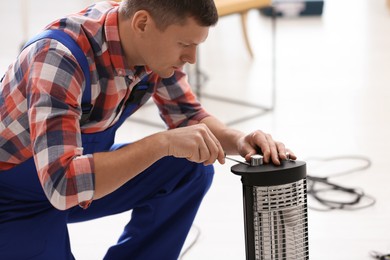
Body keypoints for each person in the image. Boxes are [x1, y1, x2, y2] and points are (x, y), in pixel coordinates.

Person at [0, 0, 296, 259]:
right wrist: (161, 143)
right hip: (14, 199)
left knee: (190, 165)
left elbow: (188, 116)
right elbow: (63, 185)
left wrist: (240, 140)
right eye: (184, 45)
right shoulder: (58, 57)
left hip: (72, 180)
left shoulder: (147, 48)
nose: (191, 58)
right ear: (142, 22)